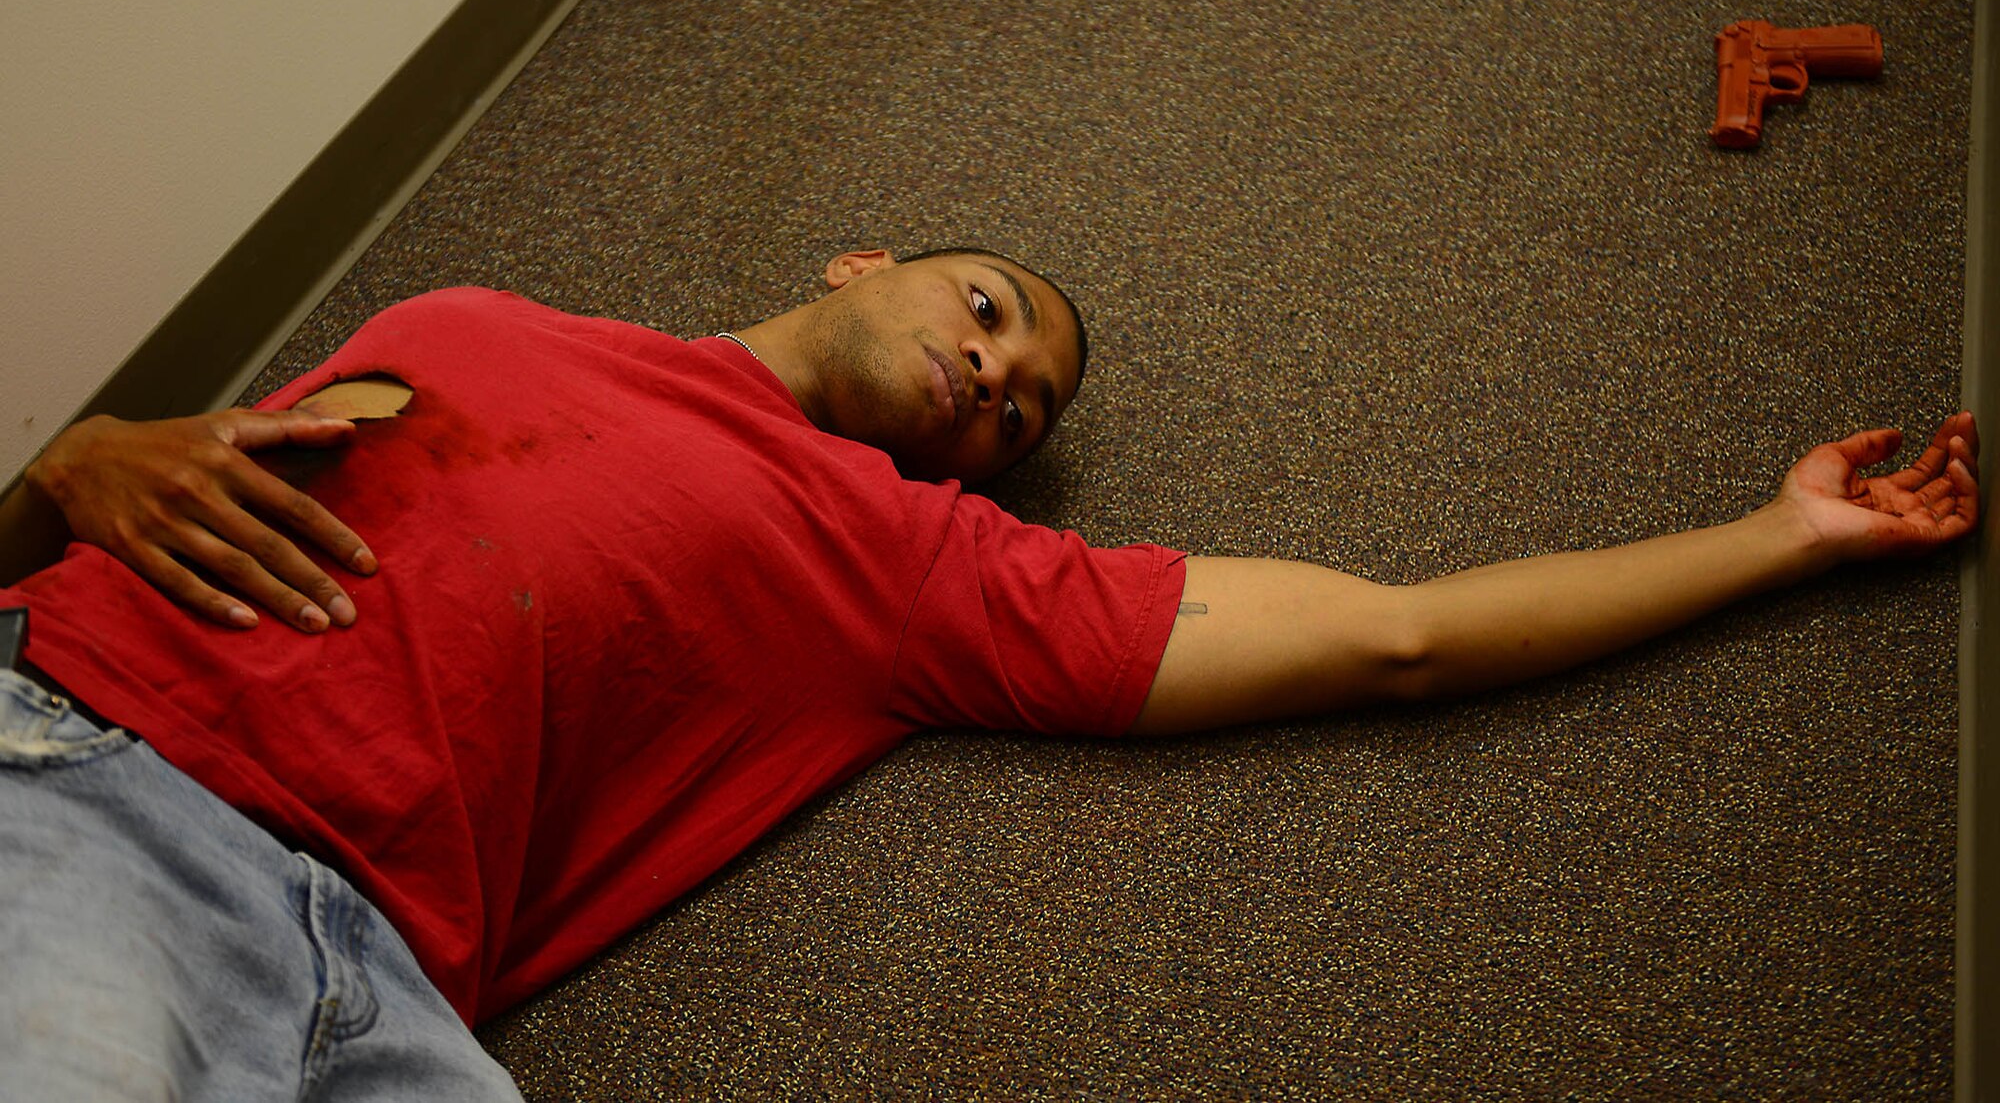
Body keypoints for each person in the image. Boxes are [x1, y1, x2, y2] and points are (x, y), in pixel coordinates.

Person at [0, 247, 1980, 1099]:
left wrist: (1779, 536)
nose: (996, 376)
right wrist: (42, 485)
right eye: (985, 310)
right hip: (116, 788)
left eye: (1015, 406)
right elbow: (168, 513)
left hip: (389, 982)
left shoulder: (911, 575)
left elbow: (1396, 630)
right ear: (869, 257)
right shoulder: (482, 312)